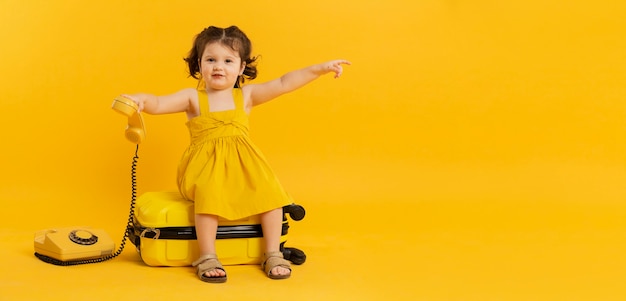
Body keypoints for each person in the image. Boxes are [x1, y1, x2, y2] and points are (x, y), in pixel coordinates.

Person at [121, 25, 350, 283]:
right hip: (204, 168)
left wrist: (319, 69)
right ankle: (207, 256)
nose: (219, 66)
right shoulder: (193, 98)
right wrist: (139, 100)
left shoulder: (246, 96)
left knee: (272, 195)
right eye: (211, 60)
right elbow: (159, 102)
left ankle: (273, 253)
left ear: (241, 68)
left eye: (228, 61)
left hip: (245, 166)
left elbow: (285, 83)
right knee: (210, 194)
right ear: (200, 64)